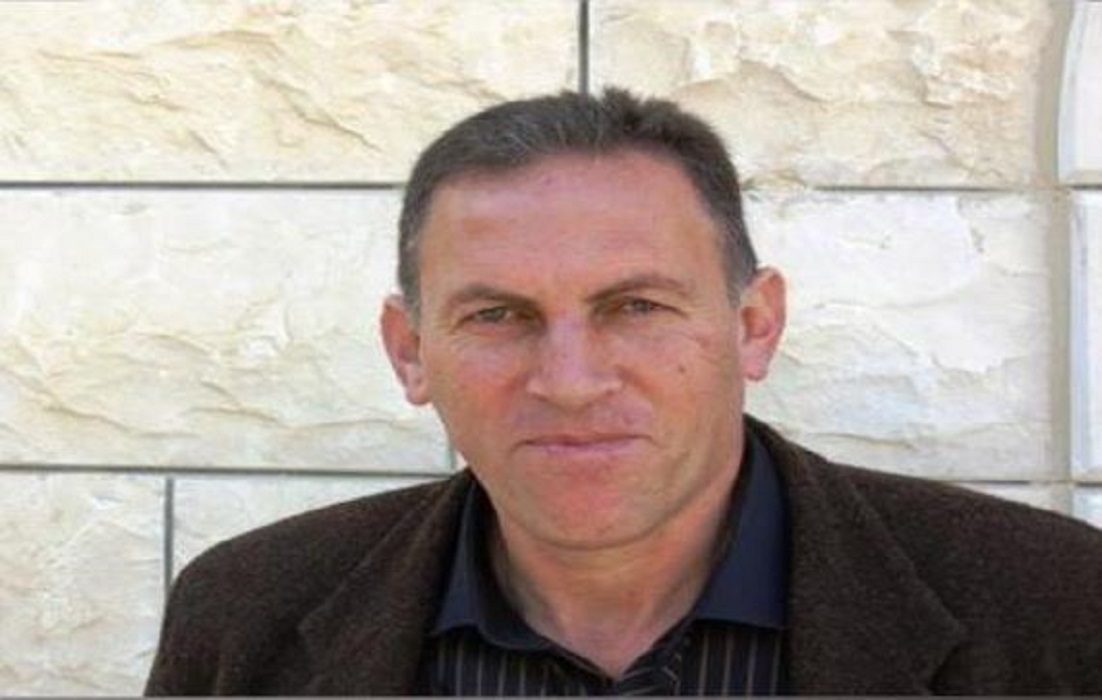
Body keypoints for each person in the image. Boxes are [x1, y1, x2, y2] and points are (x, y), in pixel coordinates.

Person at [145, 89, 1102, 696]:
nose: (570, 382)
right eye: (497, 315)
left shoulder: (1056, 608)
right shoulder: (246, 619)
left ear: (754, 326)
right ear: (411, 352)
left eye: (636, 306)